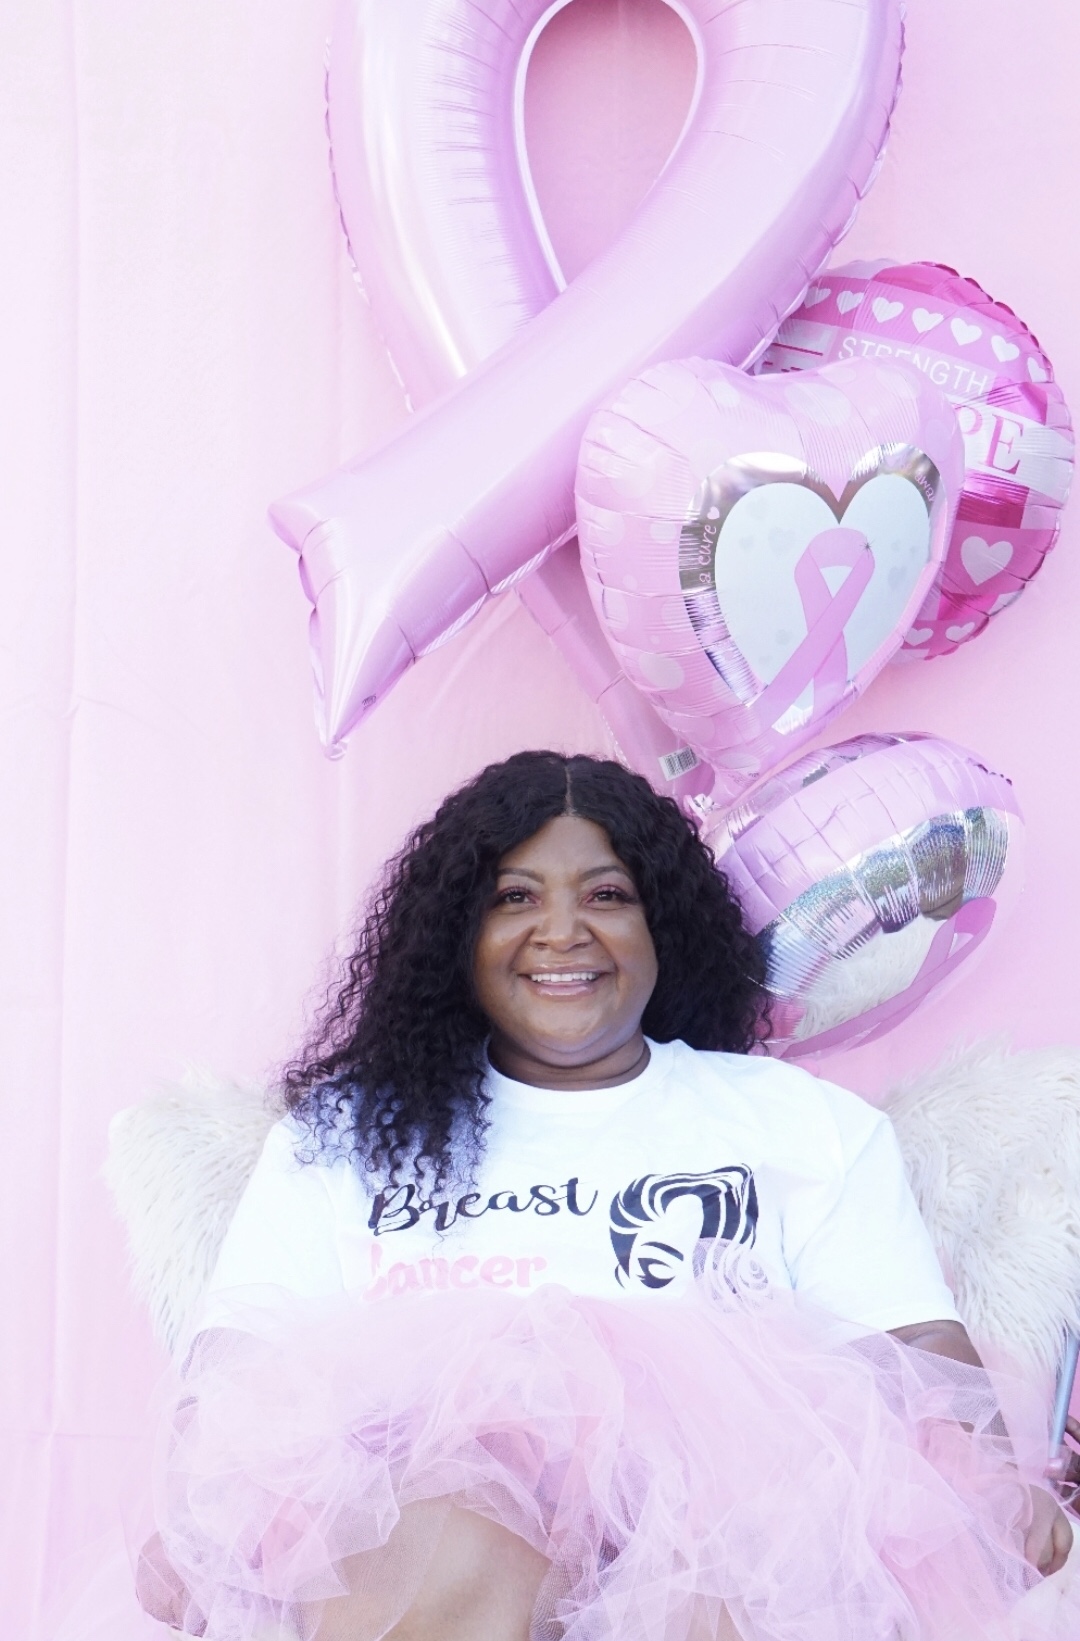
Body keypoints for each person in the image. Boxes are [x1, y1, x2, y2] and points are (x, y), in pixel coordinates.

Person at [138, 750, 1077, 1641]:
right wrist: (200, 1525)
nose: (562, 930)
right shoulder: (343, 1134)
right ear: (456, 936)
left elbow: (915, 1345)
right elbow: (238, 1367)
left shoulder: (798, 1123)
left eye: (607, 896)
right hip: (425, 1532)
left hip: (727, 1524)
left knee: (722, 1567)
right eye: (514, 897)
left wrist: (995, 1482)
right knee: (452, 1528)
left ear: (660, 924)